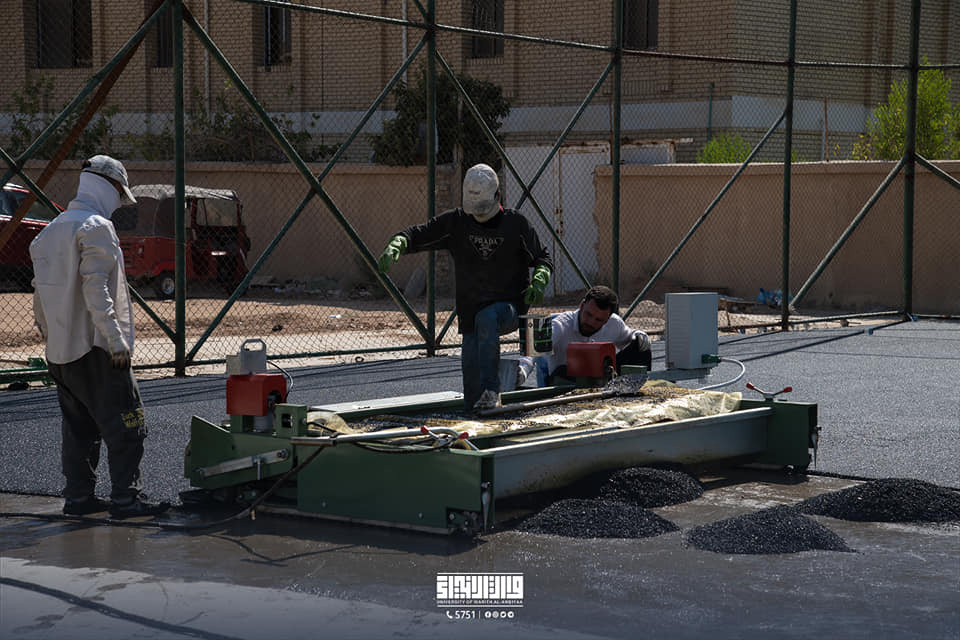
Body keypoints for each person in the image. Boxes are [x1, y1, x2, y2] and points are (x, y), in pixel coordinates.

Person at [30, 155, 170, 519]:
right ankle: (126, 500)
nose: (118, 204)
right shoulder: (96, 228)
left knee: (79, 428)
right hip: (97, 348)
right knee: (128, 423)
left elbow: (39, 295)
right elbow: (97, 291)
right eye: (120, 195)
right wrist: (115, 341)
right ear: (111, 187)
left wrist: (50, 336)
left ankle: (79, 499)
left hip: (60, 353)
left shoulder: (50, 231)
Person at [378, 163, 553, 413]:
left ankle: (493, 389)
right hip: (471, 313)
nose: (478, 217)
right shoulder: (457, 223)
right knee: (471, 376)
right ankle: (477, 415)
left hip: (509, 308)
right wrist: (398, 243)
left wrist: (540, 278)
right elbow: (419, 233)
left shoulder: (516, 224)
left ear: (498, 196)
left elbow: (542, 257)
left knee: (487, 317)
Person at [539, 285, 652, 384]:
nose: (591, 322)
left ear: (608, 319)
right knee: (562, 371)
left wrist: (640, 334)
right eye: (588, 314)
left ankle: (635, 391)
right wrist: (526, 369)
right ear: (582, 305)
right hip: (568, 381)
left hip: (602, 378)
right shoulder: (560, 324)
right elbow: (535, 350)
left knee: (641, 348)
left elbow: (630, 336)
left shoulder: (614, 323)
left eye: (598, 320)